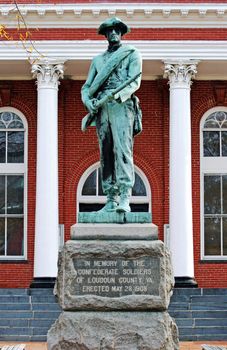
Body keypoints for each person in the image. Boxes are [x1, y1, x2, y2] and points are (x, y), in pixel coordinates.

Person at [81, 17, 142, 213]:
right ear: (105, 35)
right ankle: (110, 198)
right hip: (102, 109)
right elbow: (87, 87)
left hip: (121, 106)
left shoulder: (131, 54)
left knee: (123, 151)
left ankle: (125, 196)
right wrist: (88, 102)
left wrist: (119, 95)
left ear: (121, 33)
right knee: (105, 154)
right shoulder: (97, 60)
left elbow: (134, 82)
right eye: (109, 31)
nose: (113, 33)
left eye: (117, 30)